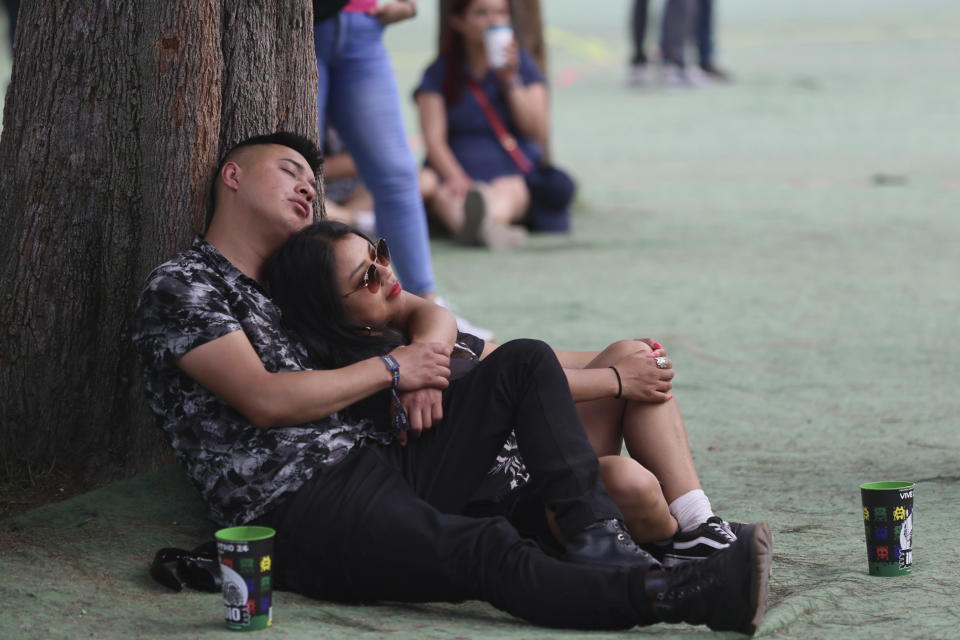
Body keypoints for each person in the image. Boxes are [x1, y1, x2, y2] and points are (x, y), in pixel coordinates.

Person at [133, 131, 772, 634]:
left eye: (312, 178)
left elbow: (417, 309)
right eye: (288, 171)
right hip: (299, 508)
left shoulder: (288, 282)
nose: (307, 186)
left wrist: (424, 364)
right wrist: (393, 368)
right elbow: (264, 401)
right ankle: (673, 594)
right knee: (485, 550)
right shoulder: (186, 284)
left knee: (522, 359)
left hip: (380, 464)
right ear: (233, 176)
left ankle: (601, 542)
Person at [266, 220, 748, 564]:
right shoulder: (373, 373)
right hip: (517, 501)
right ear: (333, 312)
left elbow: (534, 364)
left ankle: (698, 525)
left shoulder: (414, 329)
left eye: (380, 254)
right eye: (367, 278)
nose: (386, 274)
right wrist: (619, 380)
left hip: (552, 458)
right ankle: (676, 544)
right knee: (629, 480)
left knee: (633, 350)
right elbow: (528, 379)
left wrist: (634, 362)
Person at [415, 0, 556, 249]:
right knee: (449, 195)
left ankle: (480, 225)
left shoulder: (522, 66)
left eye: (500, 13)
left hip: (507, 167)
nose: (493, 21)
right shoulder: (440, 73)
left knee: (510, 190)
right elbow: (433, 139)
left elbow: (537, 131)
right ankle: (484, 229)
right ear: (458, 22)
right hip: (457, 168)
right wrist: (456, 177)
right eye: (481, 13)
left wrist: (510, 81)